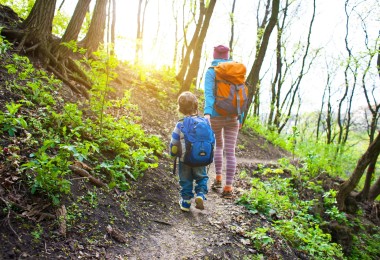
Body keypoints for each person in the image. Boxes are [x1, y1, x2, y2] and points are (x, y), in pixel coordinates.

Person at [203, 45, 240, 199]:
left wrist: (207, 113)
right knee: (230, 151)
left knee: (219, 146)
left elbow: (209, 95)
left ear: (214, 54)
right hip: (233, 116)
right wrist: (241, 116)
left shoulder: (211, 71)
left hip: (216, 116)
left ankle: (218, 179)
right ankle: (228, 188)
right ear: (227, 55)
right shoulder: (236, 70)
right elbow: (240, 95)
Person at [170, 91, 209, 211]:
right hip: (201, 158)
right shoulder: (204, 122)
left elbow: (174, 141)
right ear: (196, 106)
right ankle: (201, 195)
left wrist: (173, 154)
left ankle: (186, 203)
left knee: (185, 180)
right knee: (202, 177)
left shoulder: (180, 124)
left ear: (180, 108)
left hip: (184, 159)